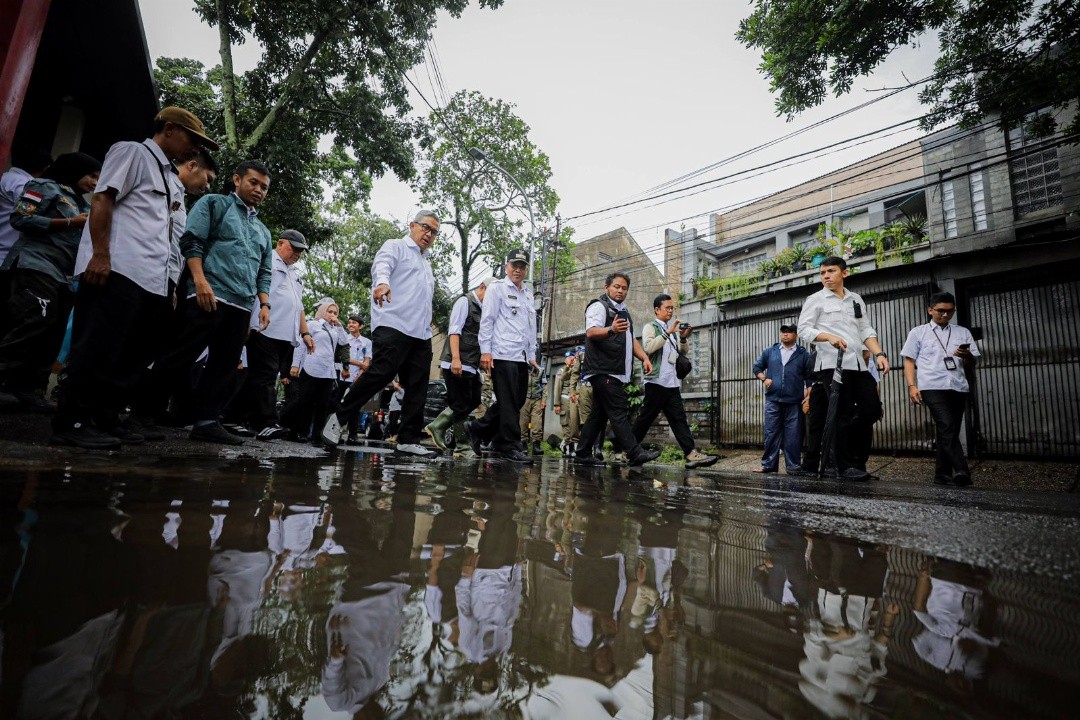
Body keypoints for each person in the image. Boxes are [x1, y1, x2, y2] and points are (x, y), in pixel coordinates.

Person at [51, 106, 218, 449]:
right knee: (98, 346)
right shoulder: (133, 152)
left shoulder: (171, 178)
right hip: (117, 269)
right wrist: (99, 254)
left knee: (132, 356)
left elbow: (169, 235)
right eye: (191, 139)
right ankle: (72, 420)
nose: (194, 149)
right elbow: (102, 199)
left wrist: (170, 284)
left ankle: (106, 417)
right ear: (169, 129)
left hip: (152, 281)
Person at [135, 159, 274, 445]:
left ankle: (207, 422)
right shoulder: (214, 204)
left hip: (241, 305)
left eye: (264, 187)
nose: (259, 190)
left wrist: (264, 304)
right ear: (237, 180)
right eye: (253, 183)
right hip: (207, 294)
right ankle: (141, 416)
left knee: (224, 366)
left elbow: (264, 271)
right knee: (180, 356)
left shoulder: (263, 230)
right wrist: (199, 280)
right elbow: (192, 241)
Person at [321, 209, 441, 458]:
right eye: (425, 227)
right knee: (380, 372)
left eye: (434, 232)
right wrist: (382, 283)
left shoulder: (426, 263)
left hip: (420, 333)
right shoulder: (396, 246)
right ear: (412, 225)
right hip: (393, 324)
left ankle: (408, 438)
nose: (429, 234)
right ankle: (339, 417)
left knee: (418, 385)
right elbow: (382, 265)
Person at [0, 153, 101, 411]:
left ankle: (29, 389)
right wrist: (69, 222)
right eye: (92, 175)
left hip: (64, 275)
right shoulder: (43, 187)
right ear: (75, 170)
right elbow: (20, 218)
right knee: (33, 320)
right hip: (36, 264)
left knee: (53, 331)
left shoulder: (84, 204)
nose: (95, 182)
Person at [797, 256, 889, 480]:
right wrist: (828, 337)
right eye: (822, 273)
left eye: (831, 271)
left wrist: (879, 353)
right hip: (831, 365)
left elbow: (866, 330)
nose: (826, 276)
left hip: (858, 364)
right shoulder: (816, 299)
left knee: (871, 409)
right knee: (842, 413)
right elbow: (804, 330)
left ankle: (855, 462)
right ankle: (846, 466)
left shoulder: (855, 299)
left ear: (844, 273)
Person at [574, 271, 659, 466]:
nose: (620, 291)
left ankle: (582, 454)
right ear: (607, 287)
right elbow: (591, 332)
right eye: (617, 287)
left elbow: (630, 340)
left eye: (624, 288)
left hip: (615, 370)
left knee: (599, 414)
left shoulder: (624, 312)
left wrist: (645, 357)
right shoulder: (599, 306)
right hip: (604, 369)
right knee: (618, 409)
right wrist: (611, 329)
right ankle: (634, 452)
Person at [237, 230, 313, 438]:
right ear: (280, 243)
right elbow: (256, 293)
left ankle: (236, 418)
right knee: (265, 377)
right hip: (265, 329)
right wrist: (248, 323)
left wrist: (305, 333)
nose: (297, 254)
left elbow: (299, 306)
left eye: (301, 251)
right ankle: (266, 422)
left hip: (285, 334)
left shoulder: (294, 273)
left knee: (258, 376)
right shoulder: (268, 262)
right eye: (294, 248)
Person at [465, 249, 539, 463]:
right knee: (508, 402)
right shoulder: (497, 289)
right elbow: (487, 321)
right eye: (514, 265)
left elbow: (530, 327)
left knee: (516, 400)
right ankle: (509, 445)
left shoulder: (527, 293)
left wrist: (532, 354)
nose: (518, 269)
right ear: (506, 267)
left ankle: (478, 428)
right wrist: (486, 351)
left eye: (522, 266)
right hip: (502, 353)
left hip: (521, 356)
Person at [901, 291, 980, 485]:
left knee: (947, 429)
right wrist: (912, 386)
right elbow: (909, 360)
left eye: (950, 311)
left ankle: (942, 474)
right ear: (930, 310)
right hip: (932, 386)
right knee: (947, 425)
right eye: (941, 311)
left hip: (958, 386)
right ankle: (962, 470)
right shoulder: (918, 332)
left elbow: (973, 362)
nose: (945, 315)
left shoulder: (963, 332)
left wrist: (966, 355)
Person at [632, 294, 719, 469]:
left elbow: (681, 352)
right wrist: (668, 332)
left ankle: (690, 453)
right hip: (656, 381)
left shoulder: (672, 331)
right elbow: (648, 347)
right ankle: (628, 450)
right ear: (657, 310)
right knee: (645, 419)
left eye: (672, 308)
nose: (671, 311)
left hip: (671, 383)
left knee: (679, 419)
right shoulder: (651, 327)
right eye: (667, 308)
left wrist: (684, 338)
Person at [424, 277, 496, 453]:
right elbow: (454, 331)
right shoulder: (464, 302)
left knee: (474, 400)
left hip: (472, 364)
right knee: (461, 405)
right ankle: (462, 447)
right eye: (492, 295)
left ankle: (437, 425)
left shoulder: (484, 309)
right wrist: (456, 358)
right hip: (457, 363)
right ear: (482, 287)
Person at [281, 298, 349, 444]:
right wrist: (295, 365)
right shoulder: (312, 324)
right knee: (306, 402)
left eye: (335, 312)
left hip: (328, 371)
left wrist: (339, 325)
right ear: (322, 311)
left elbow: (344, 342)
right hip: (311, 367)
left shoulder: (335, 328)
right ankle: (302, 432)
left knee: (323, 404)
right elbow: (301, 345)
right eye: (329, 311)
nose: (332, 314)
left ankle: (316, 435)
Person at [751, 323, 814, 475]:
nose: (785, 334)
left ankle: (793, 467)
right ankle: (768, 465)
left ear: (796, 335)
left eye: (789, 332)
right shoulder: (770, 351)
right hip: (773, 400)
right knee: (771, 433)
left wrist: (809, 397)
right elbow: (756, 367)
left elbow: (810, 379)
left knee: (793, 435)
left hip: (794, 402)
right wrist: (764, 379)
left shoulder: (803, 354)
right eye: (783, 332)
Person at [0, 147, 52, 265]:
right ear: (45, 167)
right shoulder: (27, 185)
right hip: (6, 255)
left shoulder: (4, 178)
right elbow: (27, 215)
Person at [341, 315, 372, 444]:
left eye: (354, 323)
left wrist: (360, 373)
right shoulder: (344, 339)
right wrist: (360, 364)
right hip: (343, 376)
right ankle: (335, 433)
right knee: (339, 404)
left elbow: (367, 360)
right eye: (349, 323)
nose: (351, 325)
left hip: (358, 378)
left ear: (361, 326)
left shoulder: (367, 342)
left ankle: (352, 435)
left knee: (355, 407)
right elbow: (343, 357)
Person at [552, 349, 579, 456]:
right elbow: (557, 388)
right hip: (564, 399)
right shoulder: (562, 371)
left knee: (575, 424)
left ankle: (573, 448)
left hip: (575, 398)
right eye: (567, 358)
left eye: (571, 358)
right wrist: (556, 404)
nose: (569, 360)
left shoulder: (578, 369)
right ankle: (566, 447)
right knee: (566, 423)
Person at [520, 372, 546, 455]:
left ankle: (536, 445)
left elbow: (545, 386)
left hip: (537, 399)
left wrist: (544, 400)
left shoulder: (541, 370)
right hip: (524, 399)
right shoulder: (522, 367)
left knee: (537, 422)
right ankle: (523, 444)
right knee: (523, 422)